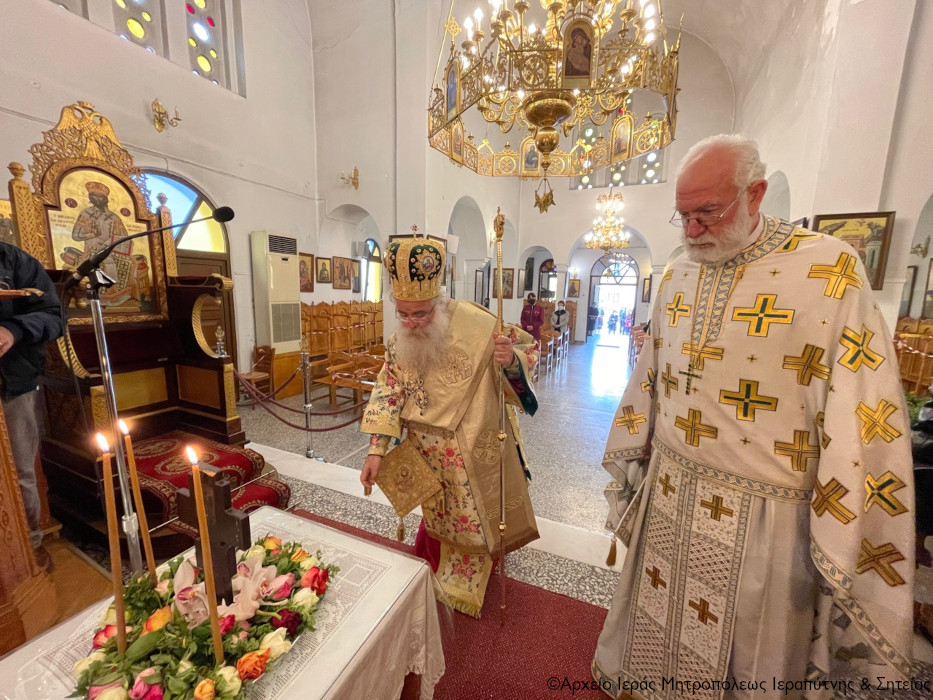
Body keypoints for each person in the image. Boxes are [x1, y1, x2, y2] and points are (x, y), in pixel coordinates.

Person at [592, 134, 914, 696]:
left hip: (766, 516)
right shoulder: (677, 275)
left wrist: (844, 515)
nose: (692, 231)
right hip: (669, 498)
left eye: (707, 213)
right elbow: (652, 374)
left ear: (756, 193)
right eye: (683, 215)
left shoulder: (829, 272)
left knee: (750, 653)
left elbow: (863, 408)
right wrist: (636, 451)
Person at [360, 235, 539, 617]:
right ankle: (437, 565)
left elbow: (527, 353)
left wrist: (510, 360)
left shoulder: (476, 322)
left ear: (438, 302)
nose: (411, 323)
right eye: (403, 313)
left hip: (468, 445)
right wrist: (377, 449)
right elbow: (388, 390)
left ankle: (474, 574)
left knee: (471, 517)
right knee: (437, 512)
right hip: (424, 449)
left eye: (420, 314)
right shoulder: (398, 341)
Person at [0, 242, 64, 572]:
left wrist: (13, 330)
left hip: (12, 383)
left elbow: (54, 316)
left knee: (20, 470)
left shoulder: (14, 261)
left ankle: (30, 545)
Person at [70, 181, 138, 304]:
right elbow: (75, 235)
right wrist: (91, 234)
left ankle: (124, 291)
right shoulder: (85, 214)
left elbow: (124, 237)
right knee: (108, 262)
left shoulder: (114, 217)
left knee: (130, 262)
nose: (98, 199)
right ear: (90, 197)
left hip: (111, 249)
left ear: (106, 198)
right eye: (94, 196)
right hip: (92, 250)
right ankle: (109, 292)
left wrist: (114, 240)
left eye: (101, 197)